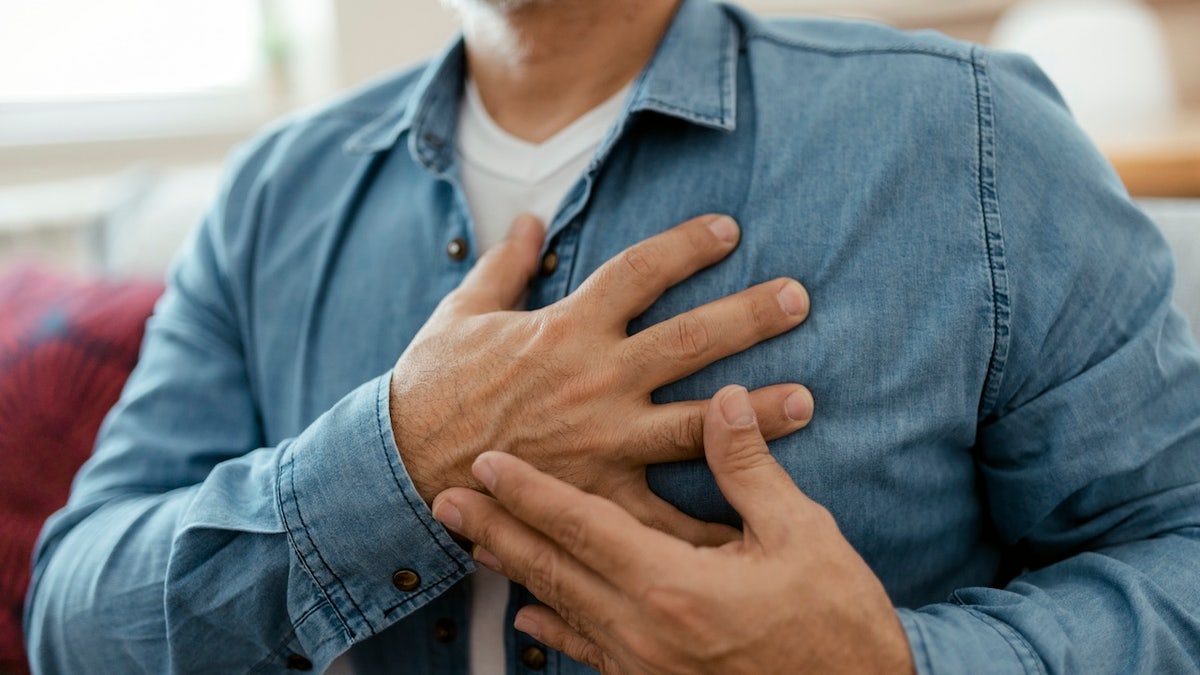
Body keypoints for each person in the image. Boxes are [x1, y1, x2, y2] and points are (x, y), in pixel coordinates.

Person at [24, 0, 1200, 672]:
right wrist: (398, 454)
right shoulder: (269, 196)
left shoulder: (972, 140)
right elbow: (72, 622)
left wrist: (896, 667)